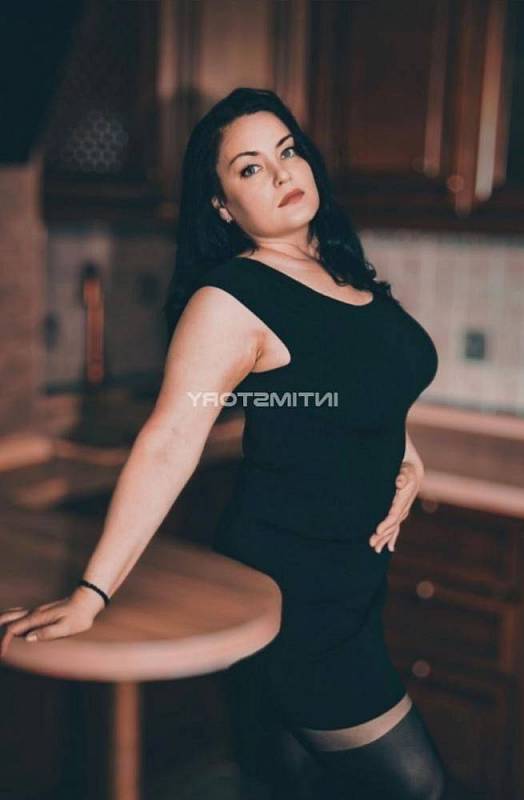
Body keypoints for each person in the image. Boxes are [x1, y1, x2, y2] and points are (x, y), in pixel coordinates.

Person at [1, 88, 457, 799]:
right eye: (249, 168)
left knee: (292, 780)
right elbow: (170, 440)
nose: (280, 173)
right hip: (292, 586)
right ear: (222, 205)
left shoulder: (341, 267)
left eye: (286, 150)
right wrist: (93, 592)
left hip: (355, 582)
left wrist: (404, 451)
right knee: (416, 783)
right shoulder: (233, 299)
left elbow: (366, 381)